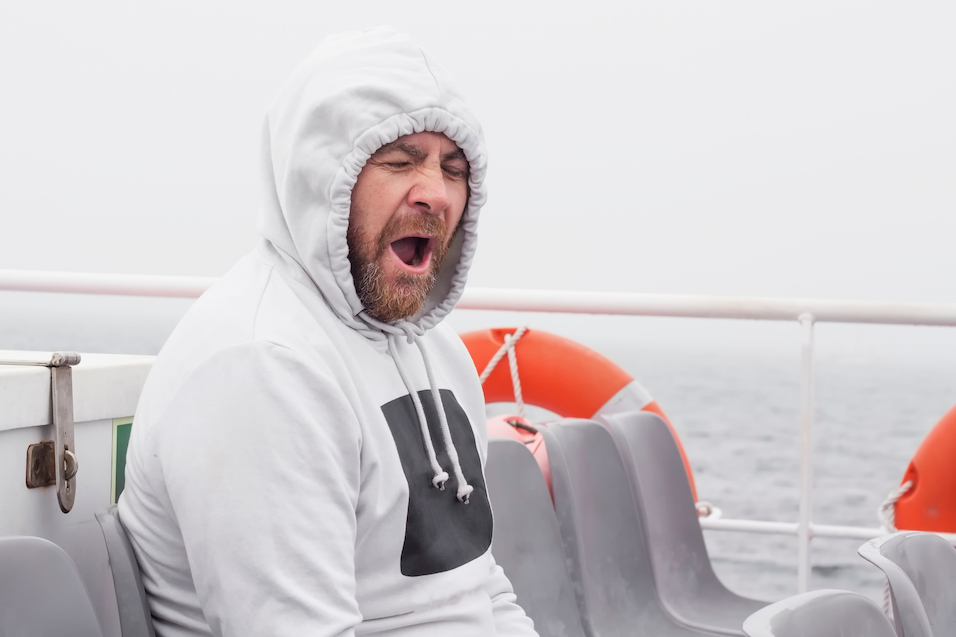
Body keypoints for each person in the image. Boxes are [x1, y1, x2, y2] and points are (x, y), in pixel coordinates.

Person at [118, 27, 538, 637]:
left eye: (452, 168)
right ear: (321, 180)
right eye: (399, 161)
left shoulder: (434, 348)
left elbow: (477, 584)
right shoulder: (262, 364)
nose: (436, 193)